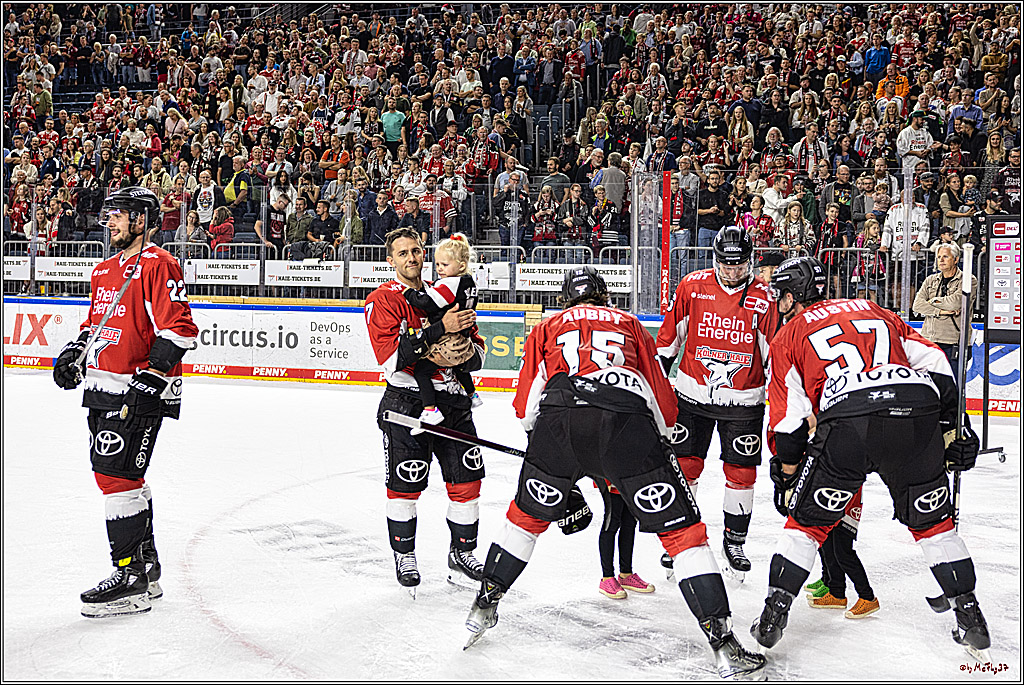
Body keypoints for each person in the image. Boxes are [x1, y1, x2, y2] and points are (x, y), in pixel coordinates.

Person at [464, 266, 766, 680]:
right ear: (606, 298)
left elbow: (526, 405)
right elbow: (663, 397)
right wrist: (655, 443)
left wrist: (551, 453)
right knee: (684, 535)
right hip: (627, 422)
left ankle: (485, 603)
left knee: (525, 520)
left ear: (567, 300)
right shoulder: (629, 323)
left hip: (560, 418)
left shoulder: (548, 325)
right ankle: (723, 644)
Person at [751, 256, 989, 660]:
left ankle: (774, 615)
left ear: (790, 297)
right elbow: (936, 362)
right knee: (936, 527)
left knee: (805, 526)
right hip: (914, 413)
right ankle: (970, 617)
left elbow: (788, 421)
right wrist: (955, 427)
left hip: (848, 422)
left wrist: (787, 473)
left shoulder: (788, 336)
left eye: (780, 297)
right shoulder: (874, 309)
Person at [51, 186, 198, 617]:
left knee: (116, 480)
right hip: (101, 386)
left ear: (141, 220)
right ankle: (146, 572)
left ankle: (130, 578)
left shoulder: (159, 263)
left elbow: (180, 329)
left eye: (118, 215)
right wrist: (75, 352)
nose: (110, 222)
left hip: (135, 389)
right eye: (109, 216)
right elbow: (98, 323)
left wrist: (150, 381)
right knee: (119, 479)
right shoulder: (103, 270)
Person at [364, 227, 486, 595]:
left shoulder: (446, 288)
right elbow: (392, 360)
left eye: (417, 250)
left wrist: (466, 353)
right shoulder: (383, 299)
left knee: (467, 482)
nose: (412, 258)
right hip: (408, 406)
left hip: (454, 404)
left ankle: (461, 554)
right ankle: (406, 556)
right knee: (406, 486)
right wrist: (439, 331)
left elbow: (477, 350)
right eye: (403, 253)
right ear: (391, 260)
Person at [655, 226, 778, 581]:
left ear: (750, 262)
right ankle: (679, 538)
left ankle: (735, 541)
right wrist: (655, 382)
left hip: (744, 402)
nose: (732, 272)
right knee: (684, 468)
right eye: (726, 265)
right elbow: (669, 338)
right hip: (692, 398)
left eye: (739, 267)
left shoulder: (765, 298)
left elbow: (774, 354)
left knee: (741, 475)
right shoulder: (692, 286)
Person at [401, 233, 482, 429]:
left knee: (421, 371)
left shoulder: (450, 283)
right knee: (459, 366)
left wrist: (409, 293)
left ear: (461, 265)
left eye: (444, 265)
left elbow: (429, 303)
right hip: (463, 339)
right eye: (437, 264)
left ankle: (430, 409)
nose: (439, 270)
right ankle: (472, 394)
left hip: (448, 340)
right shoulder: (469, 282)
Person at [913, 242, 979, 374]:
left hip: (953, 342)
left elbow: (955, 303)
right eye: (938, 257)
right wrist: (940, 311)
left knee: (953, 387)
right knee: (930, 388)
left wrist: (931, 301)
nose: (941, 260)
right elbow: (917, 305)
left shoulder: (968, 280)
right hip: (929, 341)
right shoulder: (930, 280)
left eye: (945, 257)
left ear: (955, 259)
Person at [597, 479, 655, 599]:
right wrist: (604, 481)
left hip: (631, 484)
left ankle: (626, 574)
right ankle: (607, 577)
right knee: (610, 526)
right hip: (612, 482)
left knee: (629, 525)